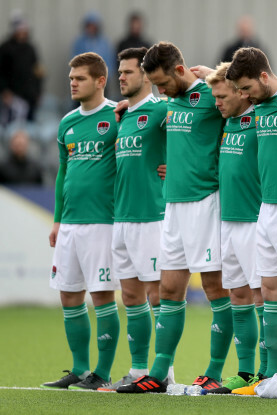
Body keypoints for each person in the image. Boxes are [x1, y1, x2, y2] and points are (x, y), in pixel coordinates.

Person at [117, 42, 228, 394]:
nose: (159, 91)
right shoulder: (169, 102)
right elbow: (147, 115)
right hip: (173, 206)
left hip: (205, 202)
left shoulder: (211, 95)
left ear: (180, 71)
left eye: (163, 83)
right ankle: (160, 372)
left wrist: (212, 74)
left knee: (214, 288)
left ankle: (214, 371)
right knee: (167, 290)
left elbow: (245, 98)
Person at [225, 47, 277, 394]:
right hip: (266, 208)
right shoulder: (259, 105)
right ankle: (271, 374)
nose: (242, 97)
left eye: (245, 88)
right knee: (269, 292)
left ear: (263, 76)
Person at [41, 52, 120, 391]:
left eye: (80, 77)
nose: (72, 82)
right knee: (69, 296)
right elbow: (63, 173)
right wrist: (58, 220)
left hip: (102, 222)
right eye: (71, 77)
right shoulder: (67, 122)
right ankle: (79, 368)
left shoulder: (118, 115)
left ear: (100, 81)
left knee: (102, 296)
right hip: (70, 224)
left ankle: (102, 373)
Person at [93, 47, 168, 392]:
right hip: (120, 218)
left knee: (156, 294)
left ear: (147, 75)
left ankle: (162, 372)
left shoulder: (162, 110)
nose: (120, 77)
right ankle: (138, 370)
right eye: (119, 72)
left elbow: (198, 129)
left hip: (150, 216)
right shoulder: (123, 116)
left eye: (127, 72)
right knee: (132, 296)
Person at [204, 62, 264, 393]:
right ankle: (243, 372)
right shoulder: (226, 122)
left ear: (241, 92)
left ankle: (267, 372)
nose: (216, 103)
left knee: (261, 296)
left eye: (222, 96)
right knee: (238, 295)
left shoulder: (262, 117)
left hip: (256, 221)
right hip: (228, 222)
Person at [0, 11, 43, 120]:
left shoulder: (30, 48)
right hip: (12, 96)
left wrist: (38, 91)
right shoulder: (5, 48)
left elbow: (38, 71)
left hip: (30, 96)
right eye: (21, 29)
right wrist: (4, 90)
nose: (23, 31)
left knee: (29, 126)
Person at [72, 12, 115, 96]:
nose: (91, 29)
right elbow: (75, 61)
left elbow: (109, 61)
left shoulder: (104, 43)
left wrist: (106, 76)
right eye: (89, 26)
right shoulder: (79, 42)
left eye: (94, 26)